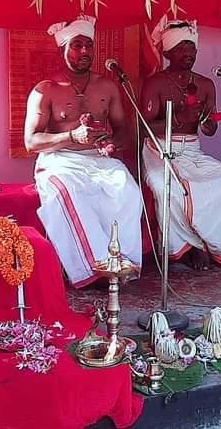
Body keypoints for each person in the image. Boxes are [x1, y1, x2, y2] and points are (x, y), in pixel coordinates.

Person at [24, 15, 143, 287]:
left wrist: (113, 142)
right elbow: (31, 142)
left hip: (99, 160)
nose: (85, 52)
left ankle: (121, 265)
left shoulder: (107, 86)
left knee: (128, 191)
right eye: (77, 46)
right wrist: (71, 136)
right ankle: (93, 270)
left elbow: (124, 128)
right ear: (62, 49)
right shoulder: (45, 90)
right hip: (59, 162)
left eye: (89, 46)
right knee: (70, 195)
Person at [140, 17, 221, 270]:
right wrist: (176, 120)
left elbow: (209, 129)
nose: (188, 53)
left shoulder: (206, 84)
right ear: (167, 52)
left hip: (193, 150)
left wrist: (208, 123)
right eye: (181, 48)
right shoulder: (156, 83)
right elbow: (142, 127)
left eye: (191, 48)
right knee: (169, 190)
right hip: (159, 150)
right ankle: (183, 249)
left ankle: (211, 245)